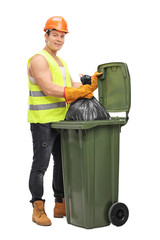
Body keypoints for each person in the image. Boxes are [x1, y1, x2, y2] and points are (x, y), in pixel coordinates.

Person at [27, 16, 101, 226]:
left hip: (62, 122)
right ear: (46, 35)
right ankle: (37, 207)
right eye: (55, 35)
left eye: (62, 36)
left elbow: (71, 84)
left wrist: (89, 84)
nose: (59, 39)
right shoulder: (38, 60)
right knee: (40, 166)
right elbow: (49, 88)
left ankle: (60, 204)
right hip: (43, 122)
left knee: (62, 164)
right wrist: (76, 92)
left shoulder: (60, 62)